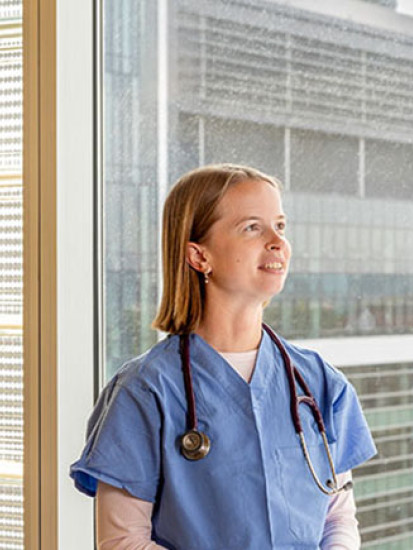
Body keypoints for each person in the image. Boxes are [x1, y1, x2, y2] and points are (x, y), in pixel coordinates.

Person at [71, 164, 376, 549]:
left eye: (280, 226)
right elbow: (122, 541)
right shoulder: (144, 391)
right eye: (253, 227)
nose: (277, 241)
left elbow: (338, 518)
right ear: (199, 256)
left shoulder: (319, 382)